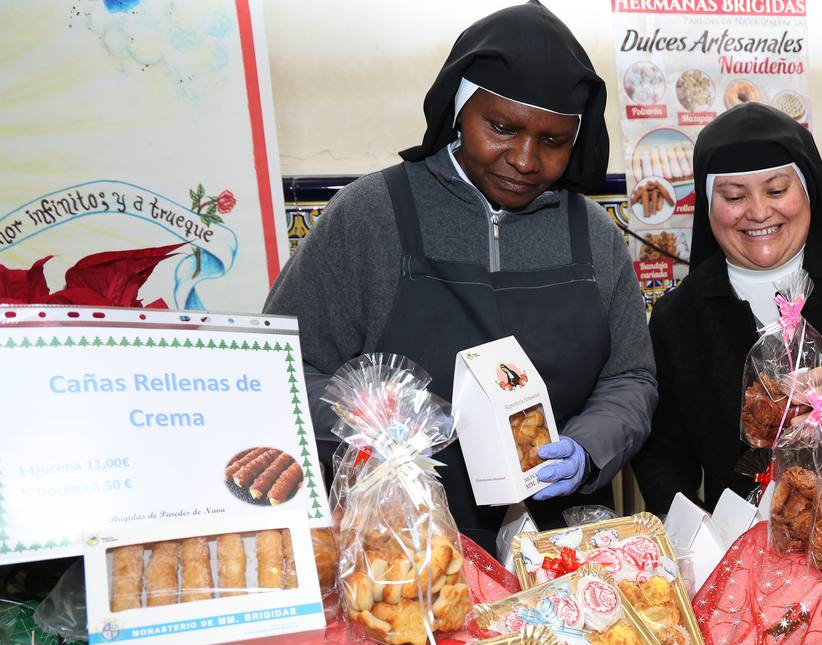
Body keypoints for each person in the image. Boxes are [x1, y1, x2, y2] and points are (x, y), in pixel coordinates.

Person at [264, 2, 656, 551]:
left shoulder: (593, 234)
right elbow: (279, 372)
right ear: (458, 108)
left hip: (556, 550)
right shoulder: (372, 215)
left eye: (553, 141)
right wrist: (378, 427)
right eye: (501, 128)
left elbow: (630, 378)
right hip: (397, 544)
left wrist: (589, 448)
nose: (523, 159)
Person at [632, 103, 822, 515]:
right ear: (709, 207)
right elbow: (664, 457)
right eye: (733, 197)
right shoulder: (678, 317)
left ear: (807, 191)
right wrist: (700, 540)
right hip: (743, 549)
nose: (759, 212)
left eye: (777, 191)